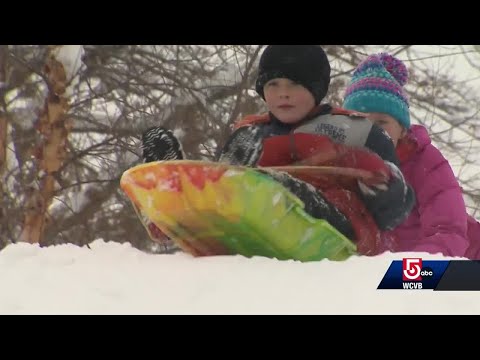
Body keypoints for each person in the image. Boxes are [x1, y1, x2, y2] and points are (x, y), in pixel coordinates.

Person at [141, 45, 415, 256]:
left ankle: (278, 195)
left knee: (284, 189)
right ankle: (170, 199)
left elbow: (394, 213)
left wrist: (377, 177)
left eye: (294, 84)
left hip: (338, 236)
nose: (283, 93)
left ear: (316, 88)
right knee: (224, 189)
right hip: (253, 230)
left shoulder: (358, 130)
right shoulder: (247, 135)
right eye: (273, 84)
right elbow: (223, 191)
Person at [343, 52, 480, 258]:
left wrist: (400, 278)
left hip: (462, 266)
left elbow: (447, 232)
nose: (371, 131)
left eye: (381, 122)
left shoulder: (425, 163)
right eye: (361, 121)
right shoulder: (340, 164)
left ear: (402, 129)